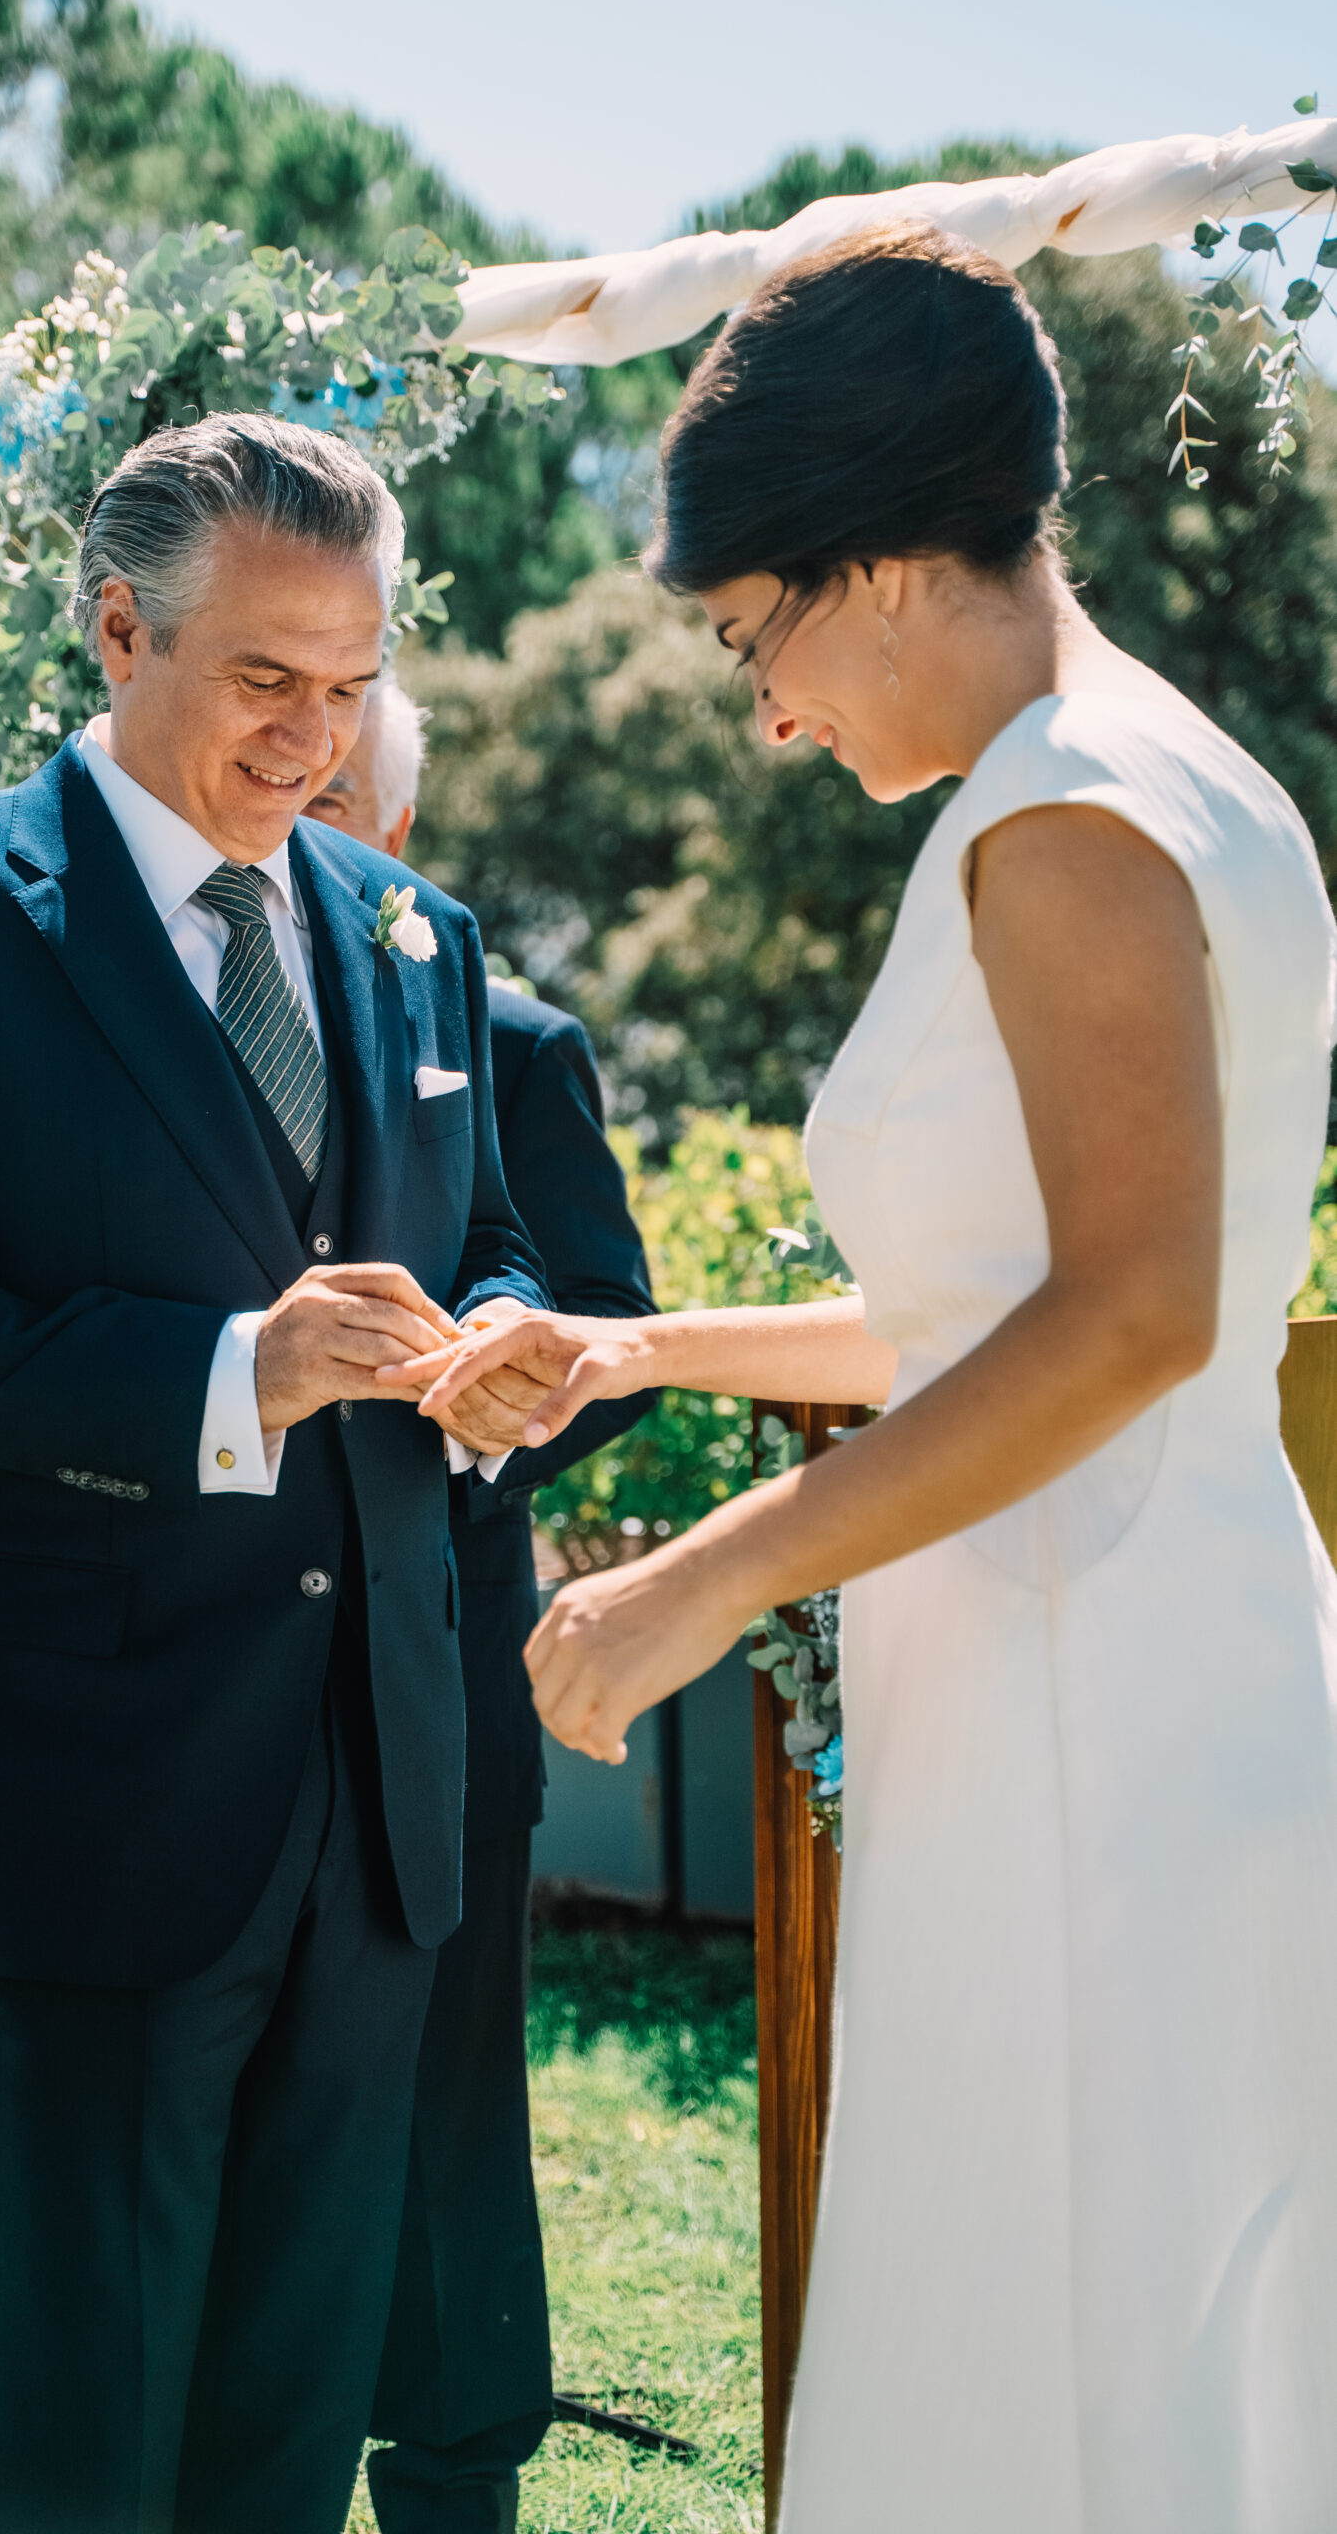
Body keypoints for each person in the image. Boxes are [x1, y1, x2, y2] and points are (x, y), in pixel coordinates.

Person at [395, 225, 1337, 2530]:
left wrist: (705, 1572)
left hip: (1088, 1707)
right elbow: (997, 1305)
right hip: (1123, 1655)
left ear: (884, 561)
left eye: (755, 638)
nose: (768, 714)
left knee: (1060, 2365)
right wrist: (632, 1344)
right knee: (1116, 2347)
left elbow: (1128, 1315)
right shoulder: (1166, 773)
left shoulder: (1060, 821)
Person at [0, 414, 555, 2534]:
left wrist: (505, 1338)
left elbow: (481, 1228)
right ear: (118, 631)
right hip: (85, 1802)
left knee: (287, 2424)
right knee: (88, 2441)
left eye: (351, 682)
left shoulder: (414, 931)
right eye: (265, 676)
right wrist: (224, 1373)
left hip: (378, 1796)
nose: (315, 736)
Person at [304, 677, 658, 2531]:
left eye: (335, 796)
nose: (292, 811)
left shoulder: (512, 1039)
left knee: (451, 2132)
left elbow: (609, 1323)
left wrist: (473, 1419)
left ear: (397, 831)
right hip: (207, 1695)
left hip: (441, 1663)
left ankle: (454, 2483)